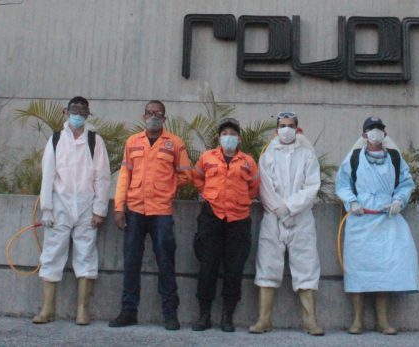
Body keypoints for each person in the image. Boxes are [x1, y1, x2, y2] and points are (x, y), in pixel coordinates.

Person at [109, 100, 193, 331]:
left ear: (164, 118)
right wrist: (119, 207)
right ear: (144, 116)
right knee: (131, 263)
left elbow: (186, 175)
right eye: (149, 112)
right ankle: (128, 312)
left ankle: (170, 314)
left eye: (158, 113)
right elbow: (124, 176)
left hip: (161, 212)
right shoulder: (132, 142)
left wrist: (168, 188)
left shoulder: (175, 143)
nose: (153, 116)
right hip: (135, 210)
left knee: (166, 263)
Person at [334, 116, 418, 335]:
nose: (375, 133)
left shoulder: (395, 158)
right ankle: (357, 321)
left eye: (379, 129)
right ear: (364, 135)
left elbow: (406, 183)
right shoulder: (353, 158)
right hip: (360, 220)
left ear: (385, 134)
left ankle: (383, 321)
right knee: (357, 270)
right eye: (371, 129)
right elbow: (342, 184)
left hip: (387, 219)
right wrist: (352, 201)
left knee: (385, 270)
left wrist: (398, 201)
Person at [32, 96, 110, 325]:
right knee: (52, 253)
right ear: (65, 112)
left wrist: (99, 210)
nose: (78, 116)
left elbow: (102, 177)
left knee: (86, 254)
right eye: (74, 111)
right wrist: (46, 209)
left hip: (86, 206)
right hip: (60, 205)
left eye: (82, 112)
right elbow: (48, 176)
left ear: (88, 115)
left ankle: (82, 310)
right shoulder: (56, 139)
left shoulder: (95, 141)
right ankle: (47, 309)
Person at [249, 111, 324, 335]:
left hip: (301, 218)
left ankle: (310, 321)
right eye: (282, 125)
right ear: (276, 129)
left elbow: (312, 186)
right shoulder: (268, 155)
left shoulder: (307, 154)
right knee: (267, 264)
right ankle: (264, 319)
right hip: (273, 217)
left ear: (297, 129)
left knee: (306, 265)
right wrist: (280, 210)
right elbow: (264, 186)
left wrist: (291, 208)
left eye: (290, 125)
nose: (286, 129)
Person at [191, 118, 260, 332]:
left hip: (238, 221)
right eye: (224, 133)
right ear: (219, 138)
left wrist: (240, 200)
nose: (228, 137)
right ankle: (204, 315)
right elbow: (197, 178)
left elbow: (254, 187)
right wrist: (208, 194)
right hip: (212, 218)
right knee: (207, 267)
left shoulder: (248, 161)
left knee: (234, 270)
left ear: (239, 138)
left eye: (233, 133)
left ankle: (227, 316)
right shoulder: (207, 157)